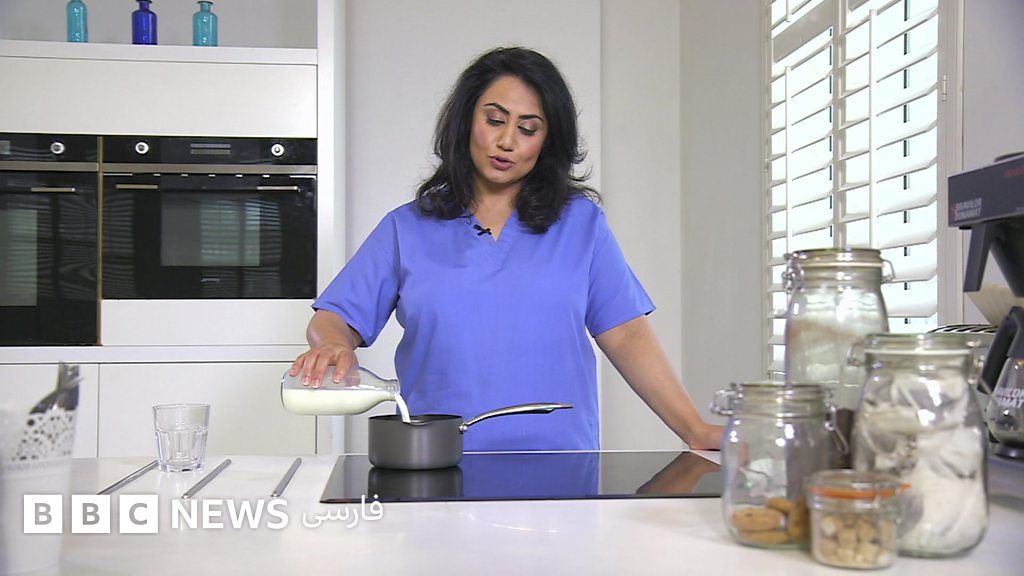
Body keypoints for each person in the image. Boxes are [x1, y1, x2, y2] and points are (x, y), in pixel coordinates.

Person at [290, 46, 722, 452]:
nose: (507, 141)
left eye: (528, 128)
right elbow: (336, 317)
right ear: (466, 121)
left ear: (547, 141)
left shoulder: (581, 224)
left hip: (561, 469)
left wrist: (694, 429)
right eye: (495, 120)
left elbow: (627, 334)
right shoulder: (407, 228)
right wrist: (333, 345)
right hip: (438, 464)